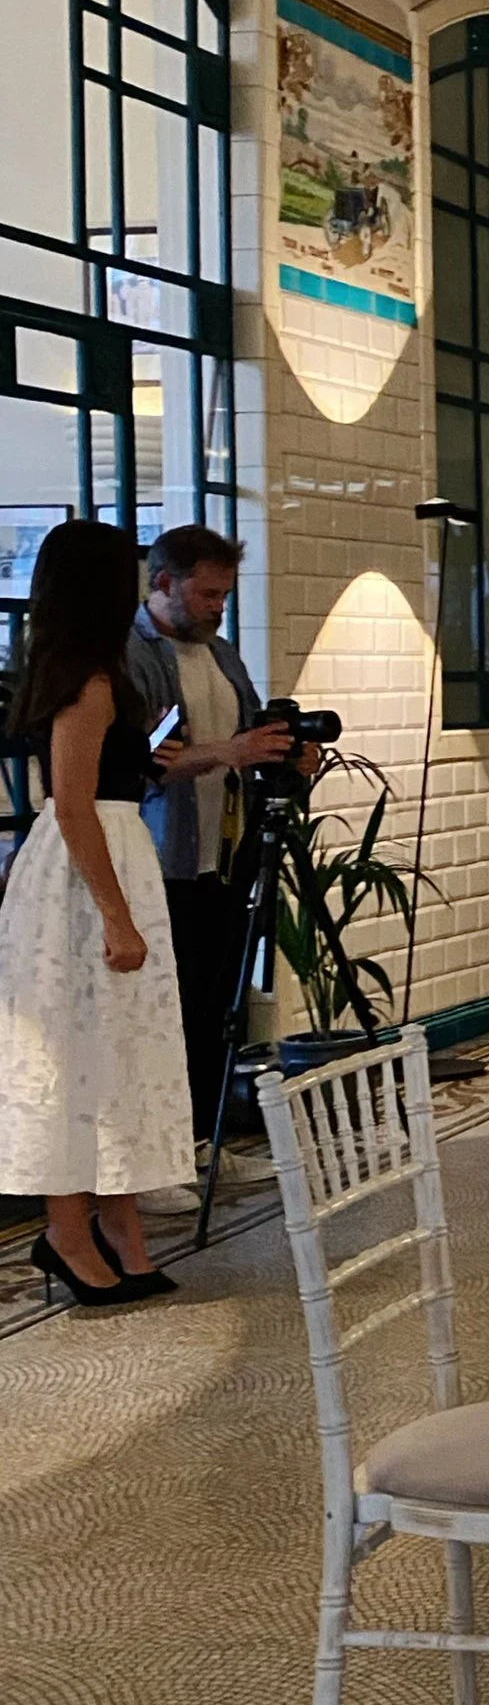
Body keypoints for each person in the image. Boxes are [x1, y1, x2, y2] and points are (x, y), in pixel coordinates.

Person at [0, 519, 191, 1305]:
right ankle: (69, 1231)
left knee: (115, 1052)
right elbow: (74, 805)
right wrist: (116, 915)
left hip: (104, 858)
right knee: (81, 1054)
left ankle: (119, 1224)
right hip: (86, 877)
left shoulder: (92, 671)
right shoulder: (88, 679)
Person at [125, 525, 298, 1145]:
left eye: (224, 596)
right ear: (164, 583)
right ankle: (166, 1143)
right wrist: (231, 749)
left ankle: (206, 1132)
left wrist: (280, 752)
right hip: (161, 854)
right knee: (168, 1004)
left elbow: (250, 730)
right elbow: (143, 759)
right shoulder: (132, 654)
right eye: (206, 595)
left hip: (225, 853)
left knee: (216, 1000)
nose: (216, 608)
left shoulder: (222, 654)